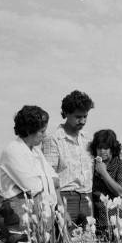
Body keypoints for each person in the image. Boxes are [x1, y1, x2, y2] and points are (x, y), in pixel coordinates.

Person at [0, 105, 64, 228]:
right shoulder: (12, 150)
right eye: (42, 131)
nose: (44, 135)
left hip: (39, 213)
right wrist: (49, 180)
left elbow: (55, 178)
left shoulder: (36, 151)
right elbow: (32, 186)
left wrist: (48, 180)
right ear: (29, 131)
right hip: (19, 213)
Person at [42, 90, 95, 227]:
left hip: (87, 197)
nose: (82, 121)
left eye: (85, 116)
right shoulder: (53, 139)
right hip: (65, 198)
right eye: (78, 117)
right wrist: (61, 208)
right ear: (66, 113)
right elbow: (50, 177)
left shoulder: (88, 140)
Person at [89, 129, 122, 233]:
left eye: (106, 148)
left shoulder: (121, 165)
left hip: (119, 224)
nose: (102, 151)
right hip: (97, 223)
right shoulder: (90, 166)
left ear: (113, 149)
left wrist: (103, 173)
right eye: (99, 148)